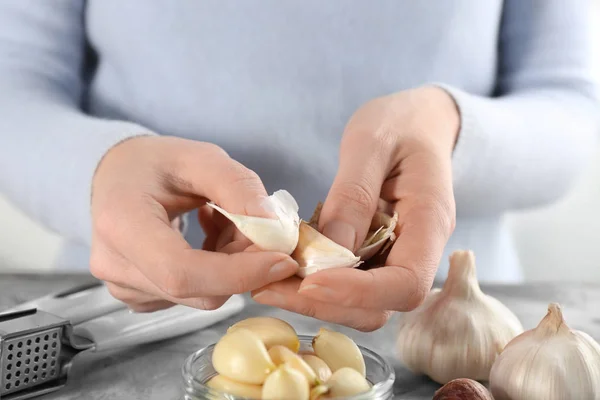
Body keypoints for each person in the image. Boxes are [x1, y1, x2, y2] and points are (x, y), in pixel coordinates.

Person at [0, 1, 598, 332]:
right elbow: (13, 83)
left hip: (431, 325)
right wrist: (96, 170)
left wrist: (448, 126)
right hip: (124, 318)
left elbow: (571, 103)